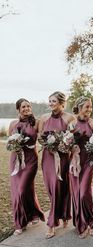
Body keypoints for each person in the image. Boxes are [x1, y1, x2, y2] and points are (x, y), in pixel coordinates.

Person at [38, 91, 76, 239]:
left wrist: (61, 145)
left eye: (54, 101)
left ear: (62, 103)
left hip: (63, 158)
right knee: (50, 188)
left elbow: (72, 139)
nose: (51, 104)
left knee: (60, 186)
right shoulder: (43, 118)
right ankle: (64, 215)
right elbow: (40, 137)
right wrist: (48, 143)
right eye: (50, 101)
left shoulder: (69, 118)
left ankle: (52, 224)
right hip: (47, 157)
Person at [8, 98, 45, 236]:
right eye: (23, 107)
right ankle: (21, 222)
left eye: (28, 106)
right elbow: (9, 142)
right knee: (18, 191)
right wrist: (14, 144)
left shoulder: (36, 123)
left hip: (30, 160)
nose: (26, 109)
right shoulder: (13, 124)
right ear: (18, 109)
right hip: (15, 160)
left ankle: (32, 214)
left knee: (23, 189)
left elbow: (42, 138)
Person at [70, 96, 93, 238]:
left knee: (84, 193)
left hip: (88, 161)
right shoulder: (71, 123)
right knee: (76, 193)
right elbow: (66, 142)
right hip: (74, 162)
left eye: (91, 107)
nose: (90, 109)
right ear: (80, 107)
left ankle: (92, 220)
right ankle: (81, 224)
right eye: (87, 107)